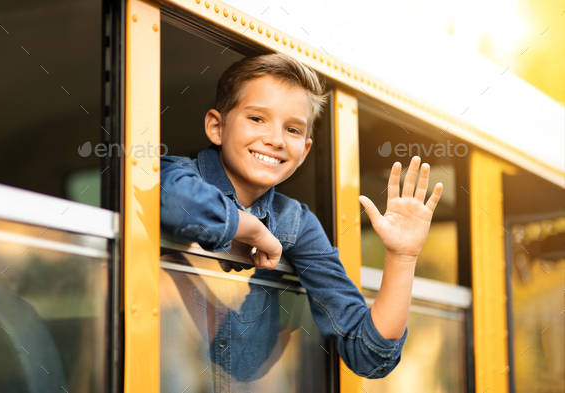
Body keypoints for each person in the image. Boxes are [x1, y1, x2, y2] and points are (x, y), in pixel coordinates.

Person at [160, 53, 443, 382]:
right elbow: (170, 197)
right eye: (257, 119)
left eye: (292, 129)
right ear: (216, 127)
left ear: (305, 151)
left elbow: (367, 355)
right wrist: (250, 228)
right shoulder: (176, 174)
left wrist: (402, 256)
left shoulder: (295, 223)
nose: (276, 139)